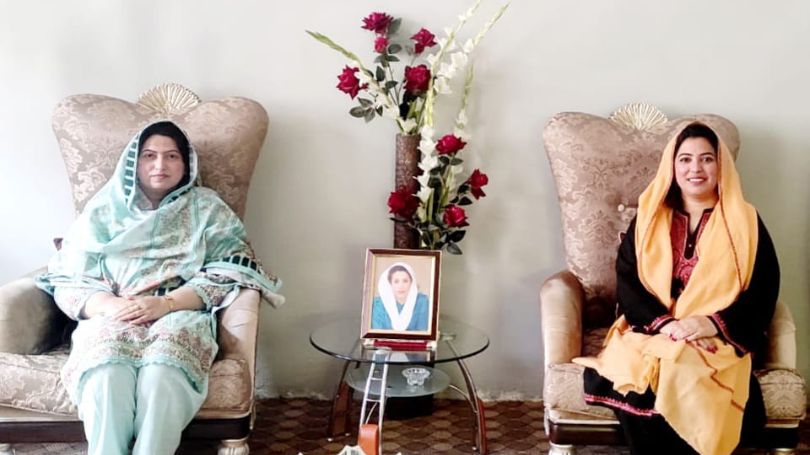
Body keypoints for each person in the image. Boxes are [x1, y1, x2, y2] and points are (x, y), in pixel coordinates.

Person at [35, 121, 284, 455]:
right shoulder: (103, 211)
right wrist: (108, 305)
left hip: (179, 313)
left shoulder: (207, 209)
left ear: (187, 164)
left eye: (172, 156)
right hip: (112, 312)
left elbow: (230, 269)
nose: (160, 165)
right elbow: (68, 277)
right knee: (107, 373)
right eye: (149, 156)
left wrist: (166, 304)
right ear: (133, 163)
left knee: (163, 374)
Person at [574, 122, 779, 455]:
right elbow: (629, 283)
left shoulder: (747, 222)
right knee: (648, 371)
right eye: (684, 159)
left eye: (706, 159)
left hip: (715, 337)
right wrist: (667, 325)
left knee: (685, 369)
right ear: (672, 165)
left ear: (720, 165)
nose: (695, 168)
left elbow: (763, 291)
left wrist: (707, 324)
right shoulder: (650, 218)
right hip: (653, 329)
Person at [370, 262, 430, 331]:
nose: (401, 286)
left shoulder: (422, 301)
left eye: (405, 281)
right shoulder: (378, 304)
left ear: (411, 283)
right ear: (390, 284)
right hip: (384, 342)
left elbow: (422, 332)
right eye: (396, 281)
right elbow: (378, 333)